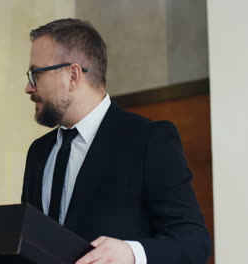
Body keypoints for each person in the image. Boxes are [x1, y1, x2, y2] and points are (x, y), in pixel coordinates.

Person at [21, 18, 211, 264]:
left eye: (35, 74)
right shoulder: (38, 151)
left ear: (73, 75)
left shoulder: (149, 140)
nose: (28, 87)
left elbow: (195, 243)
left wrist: (131, 253)